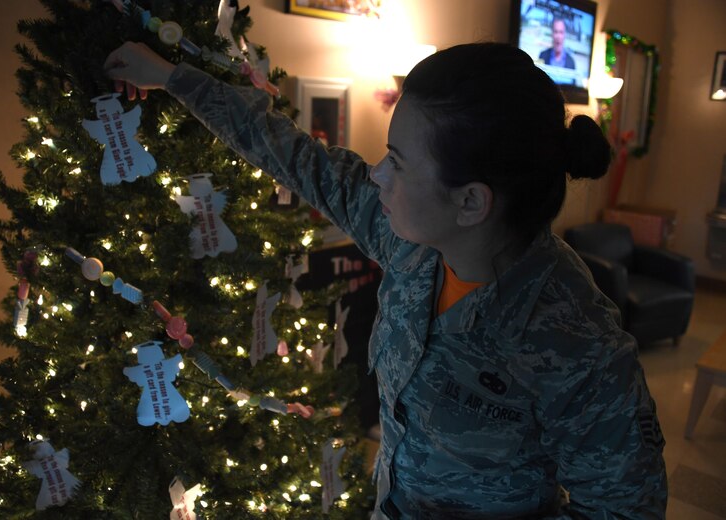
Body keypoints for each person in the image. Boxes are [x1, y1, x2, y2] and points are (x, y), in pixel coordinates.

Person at [104, 41, 667, 519]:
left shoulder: (575, 338)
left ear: (470, 201)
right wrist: (174, 77)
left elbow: (624, 509)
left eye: (397, 160)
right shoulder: (409, 243)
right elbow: (291, 153)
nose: (376, 172)